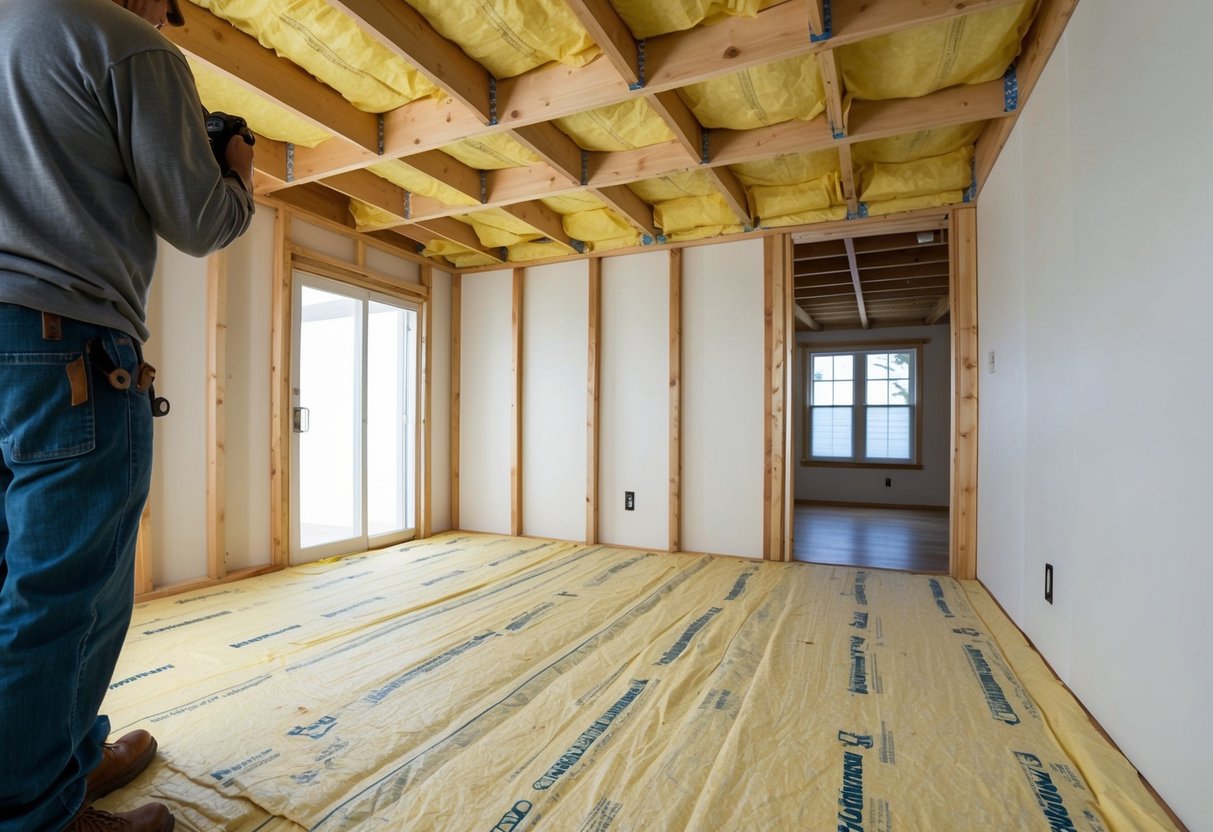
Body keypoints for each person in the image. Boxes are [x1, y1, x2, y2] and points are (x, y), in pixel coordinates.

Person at [0, 0, 256, 828]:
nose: (168, 19)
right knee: (70, 591)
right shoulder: (127, 45)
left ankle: (58, 764)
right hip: (62, 344)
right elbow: (202, 221)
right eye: (169, 6)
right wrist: (236, 171)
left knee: (21, 583)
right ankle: (38, 810)